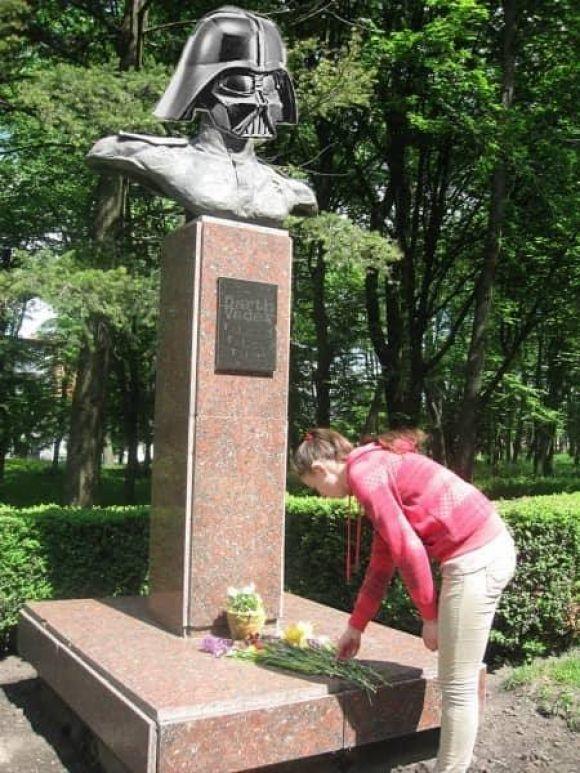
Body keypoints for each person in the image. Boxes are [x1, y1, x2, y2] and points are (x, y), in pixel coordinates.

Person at [293, 427, 517, 773]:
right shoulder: (371, 467)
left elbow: (409, 550)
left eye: (315, 488)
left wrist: (430, 617)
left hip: (477, 559)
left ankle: (452, 768)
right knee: (458, 679)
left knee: (457, 684)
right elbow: (383, 561)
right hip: (480, 553)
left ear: (321, 469)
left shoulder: (366, 475)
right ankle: (457, 759)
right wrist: (356, 627)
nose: (322, 496)